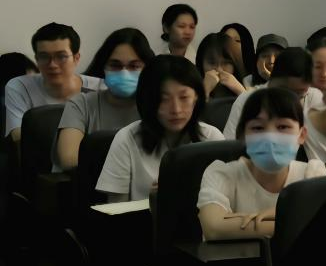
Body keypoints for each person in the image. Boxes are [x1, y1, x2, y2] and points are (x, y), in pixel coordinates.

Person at [197, 87, 326, 241]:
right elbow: (214, 228)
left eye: (282, 127)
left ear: (302, 135)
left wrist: (238, 222)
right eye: (258, 128)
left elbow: (325, 227)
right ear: (243, 136)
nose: (270, 138)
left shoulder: (312, 174)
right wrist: (293, 220)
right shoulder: (221, 173)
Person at [95, 56, 223, 202]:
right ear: (149, 101)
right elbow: (116, 210)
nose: (176, 110)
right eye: (164, 99)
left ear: (197, 98)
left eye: (184, 97)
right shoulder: (127, 139)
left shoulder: (212, 139)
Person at [55, 28, 153, 171]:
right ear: (103, 67)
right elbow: (69, 159)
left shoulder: (155, 105)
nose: (124, 73)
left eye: (134, 66)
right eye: (115, 65)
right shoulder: (81, 104)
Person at [5, 23, 104, 140]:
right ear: (36, 59)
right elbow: (19, 139)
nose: (52, 65)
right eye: (44, 56)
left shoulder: (101, 88)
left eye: (61, 56)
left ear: (76, 58)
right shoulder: (20, 86)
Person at [222, 47, 326, 139]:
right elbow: (230, 146)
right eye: (287, 92)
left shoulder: (313, 97)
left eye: (300, 94)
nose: (291, 100)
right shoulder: (246, 100)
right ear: (273, 82)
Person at [196, 33, 247, 99]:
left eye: (226, 63)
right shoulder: (189, 91)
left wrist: (240, 91)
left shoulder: (249, 89)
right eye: (212, 63)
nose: (219, 69)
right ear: (201, 64)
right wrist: (204, 90)